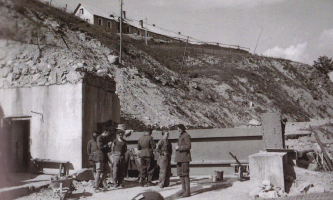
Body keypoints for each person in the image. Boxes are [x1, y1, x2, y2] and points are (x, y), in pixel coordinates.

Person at [174, 124, 191, 198]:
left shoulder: (186, 135)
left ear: (181, 128)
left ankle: (188, 191)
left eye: (178, 128)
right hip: (179, 158)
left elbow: (188, 146)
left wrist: (179, 147)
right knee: (181, 174)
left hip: (184, 158)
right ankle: (183, 189)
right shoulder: (181, 135)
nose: (177, 130)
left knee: (185, 174)